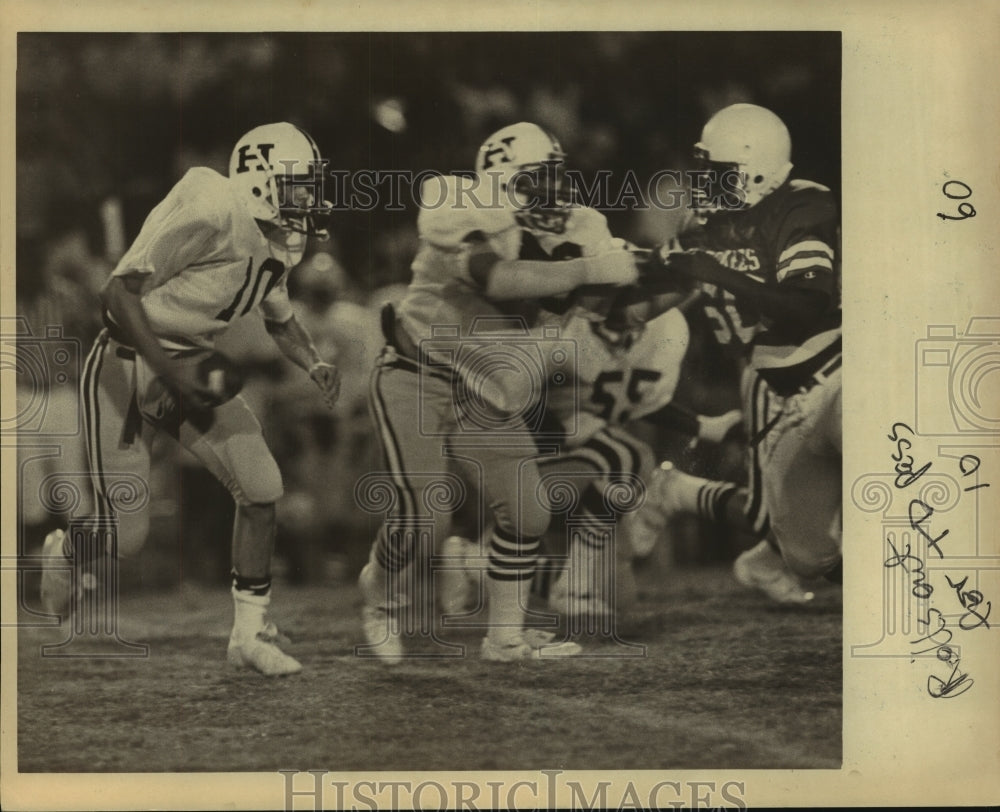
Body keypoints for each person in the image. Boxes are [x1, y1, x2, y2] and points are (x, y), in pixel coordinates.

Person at [39, 122, 342, 676]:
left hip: (191, 364)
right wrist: (170, 372)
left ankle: (249, 635)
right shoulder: (211, 207)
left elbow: (279, 316)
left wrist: (313, 360)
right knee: (125, 537)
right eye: (300, 184)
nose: (310, 197)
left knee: (262, 486)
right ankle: (65, 550)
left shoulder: (282, 239)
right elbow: (116, 295)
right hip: (128, 360)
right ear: (261, 180)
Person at [359, 121, 639, 662]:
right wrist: (590, 270)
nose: (555, 192)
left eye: (556, 176)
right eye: (537, 181)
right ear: (499, 188)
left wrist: (634, 282)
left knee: (530, 509)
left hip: (485, 386)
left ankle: (504, 637)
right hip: (416, 373)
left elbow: (609, 294)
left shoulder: (582, 224)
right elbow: (499, 281)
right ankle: (379, 597)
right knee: (426, 519)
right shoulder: (455, 207)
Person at [648, 103, 842, 584]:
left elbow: (806, 308)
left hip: (836, 372)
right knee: (810, 558)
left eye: (718, 174)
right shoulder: (701, 224)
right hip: (773, 387)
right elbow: (660, 282)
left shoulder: (801, 206)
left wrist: (718, 273)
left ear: (757, 175)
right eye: (705, 171)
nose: (704, 183)